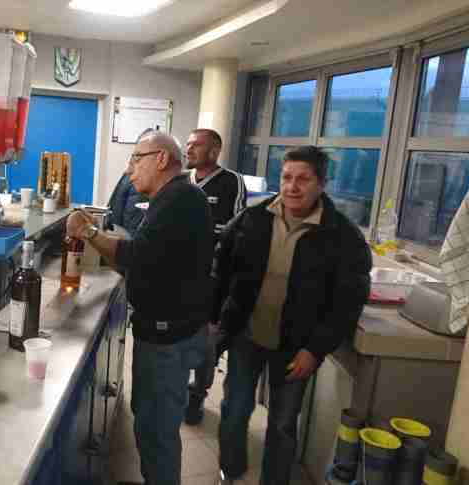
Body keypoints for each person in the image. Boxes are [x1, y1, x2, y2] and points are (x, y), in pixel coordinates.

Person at [211, 146, 372, 485]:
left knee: (283, 423)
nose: (292, 187)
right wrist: (214, 320)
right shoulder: (253, 218)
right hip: (246, 335)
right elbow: (221, 269)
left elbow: (347, 302)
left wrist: (315, 350)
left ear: (321, 184)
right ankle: (231, 468)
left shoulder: (342, 236)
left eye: (303, 179)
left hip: (296, 347)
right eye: (286, 178)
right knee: (235, 409)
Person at [66, 131, 214, 485]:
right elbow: (152, 256)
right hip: (171, 331)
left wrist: (88, 232)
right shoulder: (173, 197)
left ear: (161, 159)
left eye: (136, 158)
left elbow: (136, 256)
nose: (129, 169)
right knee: (150, 420)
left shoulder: (179, 199)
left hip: (169, 339)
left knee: (156, 430)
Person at [183, 128, 247, 425]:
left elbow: (237, 229)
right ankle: (178, 391)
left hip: (213, 279)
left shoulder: (231, 182)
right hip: (181, 278)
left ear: (214, 151)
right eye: (188, 144)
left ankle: (197, 394)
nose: (189, 149)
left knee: (207, 344)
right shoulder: (183, 181)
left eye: (196, 145)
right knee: (179, 340)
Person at [105, 129, 153, 236]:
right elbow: (114, 204)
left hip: (132, 237)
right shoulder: (128, 174)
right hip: (120, 234)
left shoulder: (149, 180)